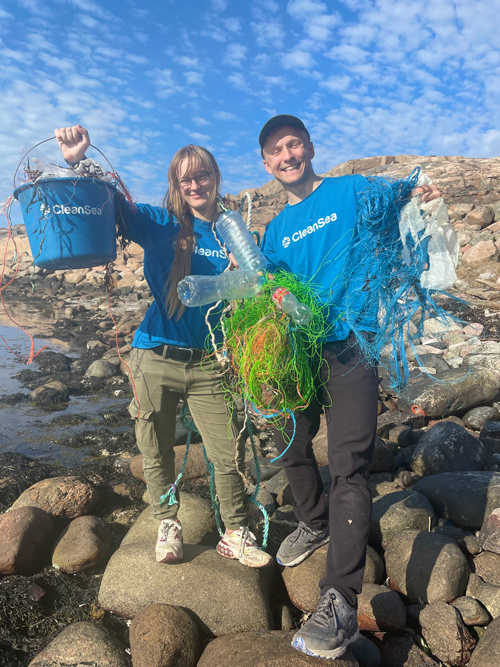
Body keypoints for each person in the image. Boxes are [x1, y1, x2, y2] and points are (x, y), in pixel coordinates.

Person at [257, 115, 440, 659]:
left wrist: (418, 192)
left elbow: (398, 198)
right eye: (276, 151)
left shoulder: (350, 190)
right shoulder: (272, 231)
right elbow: (266, 279)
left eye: (294, 144)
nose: (287, 155)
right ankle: (314, 522)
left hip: (352, 343)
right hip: (298, 350)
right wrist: (267, 295)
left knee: (348, 464)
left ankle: (339, 598)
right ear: (266, 164)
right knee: (290, 442)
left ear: (308, 148)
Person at [53, 124, 272, 569]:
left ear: (215, 178)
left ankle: (234, 530)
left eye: (202, 176)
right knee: (153, 447)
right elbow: (106, 203)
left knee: (226, 449)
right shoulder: (161, 224)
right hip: (155, 355)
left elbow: (258, 288)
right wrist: (77, 161)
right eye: (184, 179)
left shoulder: (233, 233)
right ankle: (167, 522)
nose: (194, 185)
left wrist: (242, 278)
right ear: (176, 184)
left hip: (211, 361)